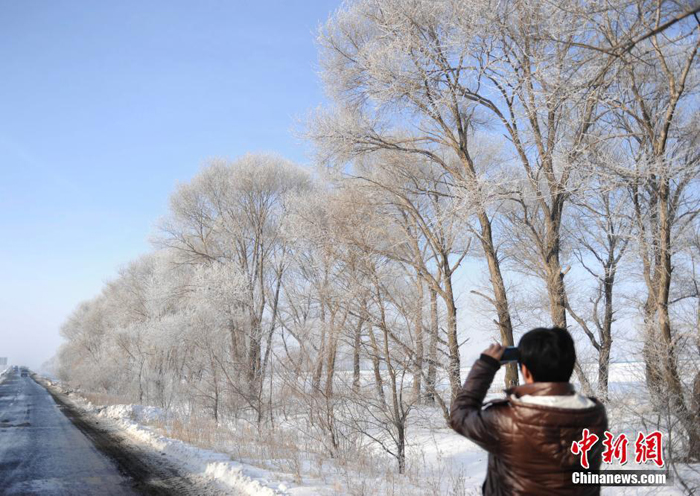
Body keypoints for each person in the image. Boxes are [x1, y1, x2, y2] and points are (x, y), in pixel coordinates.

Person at [450, 327, 608, 495]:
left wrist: (485, 366)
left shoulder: (506, 419)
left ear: (525, 371)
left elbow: (460, 415)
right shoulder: (595, 414)